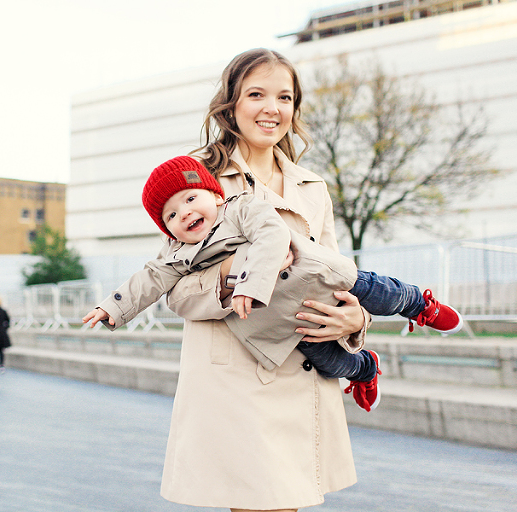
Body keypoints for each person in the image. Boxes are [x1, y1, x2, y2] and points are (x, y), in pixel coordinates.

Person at [145, 47, 434, 511]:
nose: (272, 108)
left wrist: (355, 320)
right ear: (231, 104)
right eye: (256, 94)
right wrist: (238, 273)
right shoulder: (195, 179)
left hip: (304, 361)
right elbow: (175, 290)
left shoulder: (312, 186)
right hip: (237, 373)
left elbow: (336, 274)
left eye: (284, 97)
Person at [83, 156, 461, 412]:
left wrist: (249, 283)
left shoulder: (240, 209)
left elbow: (272, 235)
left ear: (215, 195)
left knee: (378, 291)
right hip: (290, 319)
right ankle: (365, 369)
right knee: (329, 363)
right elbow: (150, 280)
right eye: (171, 215)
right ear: (167, 229)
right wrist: (112, 307)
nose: (185, 213)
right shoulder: (178, 253)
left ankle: (418, 304)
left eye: (191, 198)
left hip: (317, 275)